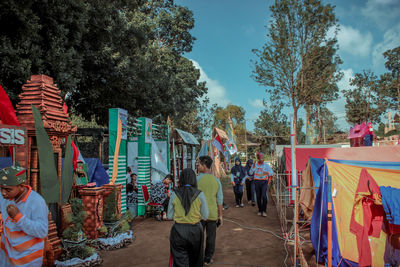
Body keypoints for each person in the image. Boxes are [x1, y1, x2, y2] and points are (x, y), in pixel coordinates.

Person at [0, 166, 49, 267]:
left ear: (22, 186)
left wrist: (18, 217)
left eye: (7, 190)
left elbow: (42, 231)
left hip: (28, 260)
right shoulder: (4, 197)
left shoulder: (36, 202)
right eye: (1, 188)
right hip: (6, 257)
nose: (3, 193)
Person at [167, 168, 209, 267]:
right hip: (195, 231)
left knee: (180, 261)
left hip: (178, 231)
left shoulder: (174, 193)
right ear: (194, 179)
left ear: (181, 179)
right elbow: (205, 216)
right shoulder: (200, 194)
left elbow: (169, 216)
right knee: (196, 260)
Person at [196, 156, 223, 265]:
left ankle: (198, 258)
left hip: (198, 214)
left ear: (203, 166)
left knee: (198, 237)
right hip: (212, 214)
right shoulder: (216, 181)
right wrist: (220, 216)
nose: (197, 166)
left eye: (198, 164)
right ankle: (208, 258)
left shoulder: (196, 180)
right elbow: (219, 200)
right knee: (211, 238)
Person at [249, 152, 274, 217]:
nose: (262, 159)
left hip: (264, 182)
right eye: (261, 158)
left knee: (264, 196)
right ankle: (260, 210)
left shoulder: (266, 165)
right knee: (258, 196)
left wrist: (266, 173)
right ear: (258, 158)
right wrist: (253, 166)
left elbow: (271, 172)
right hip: (257, 182)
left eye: (263, 158)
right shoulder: (255, 164)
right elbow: (250, 173)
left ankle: (264, 210)